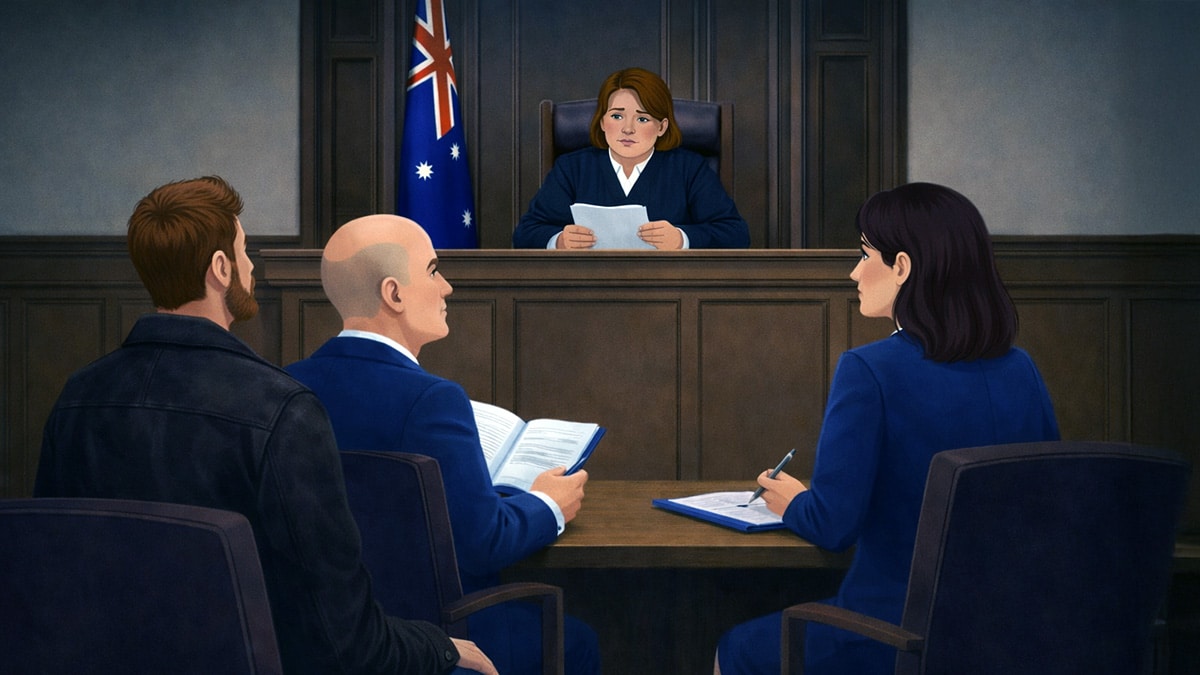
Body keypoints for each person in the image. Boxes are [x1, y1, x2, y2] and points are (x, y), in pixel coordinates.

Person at [34, 176, 496, 675]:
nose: (251, 267)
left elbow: (54, 576)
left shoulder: (76, 399)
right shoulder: (281, 409)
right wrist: (438, 646)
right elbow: (344, 640)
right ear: (221, 268)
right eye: (244, 251)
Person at [714, 183, 1060, 675]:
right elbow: (1049, 502)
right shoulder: (1021, 369)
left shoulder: (868, 370)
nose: (855, 272)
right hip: (1007, 634)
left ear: (902, 266)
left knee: (737, 648)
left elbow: (833, 525)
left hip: (893, 633)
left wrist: (793, 501)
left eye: (864, 254)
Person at [286, 214, 602, 675]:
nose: (447, 287)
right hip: (436, 633)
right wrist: (548, 504)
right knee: (578, 642)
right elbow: (483, 543)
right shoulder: (432, 400)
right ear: (394, 294)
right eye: (433, 271)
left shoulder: (287, 385)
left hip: (327, 636)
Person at [512, 66, 750, 250]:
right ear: (602, 122)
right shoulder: (572, 168)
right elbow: (525, 233)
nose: (627, 129)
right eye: (616, 116)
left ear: (661, 127)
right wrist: (559, 240)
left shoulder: (689, 168)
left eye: (642, 119)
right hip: (587, 289)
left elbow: (736, 233)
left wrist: (682, 238)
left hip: (668, 289)